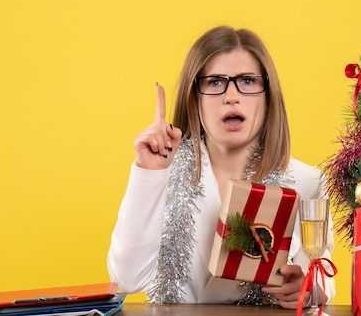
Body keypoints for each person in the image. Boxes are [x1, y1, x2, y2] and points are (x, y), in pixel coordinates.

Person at [107, 25, 335, 308]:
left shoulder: (306, 181)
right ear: (195, 99)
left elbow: (323, 274)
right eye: (215, 82)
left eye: (248, 81)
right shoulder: (162, 171)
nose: (231, 96)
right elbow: (127, 278)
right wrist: (149, 173)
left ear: (268, 96)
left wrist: (308, 288)